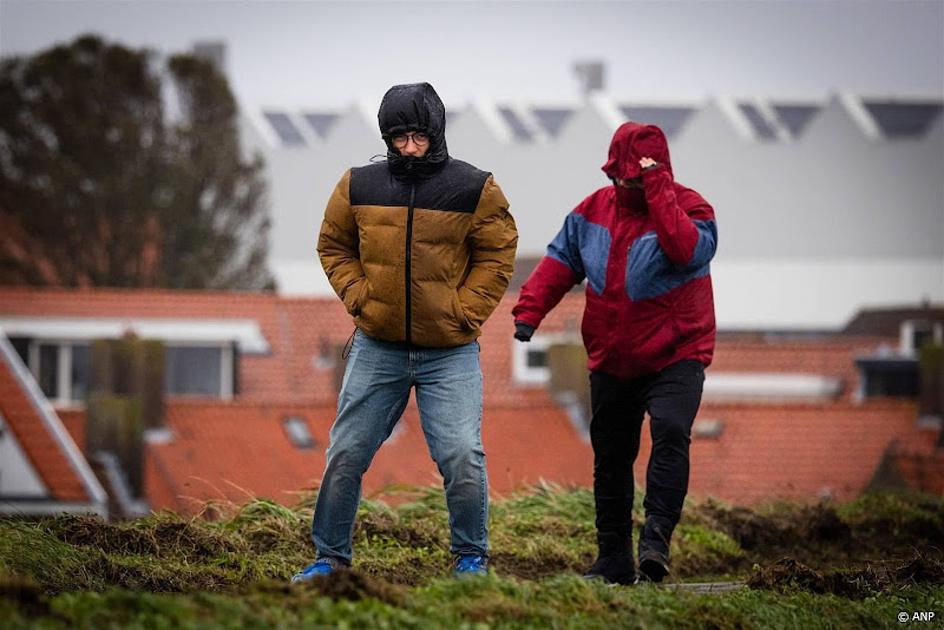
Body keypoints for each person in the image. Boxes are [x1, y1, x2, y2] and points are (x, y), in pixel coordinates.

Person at [293, 83, 517, 582]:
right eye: (398, 138)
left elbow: (498, 253)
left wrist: (465, 311)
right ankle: (329, 559)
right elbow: (333, 245)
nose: (408, 147)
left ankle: (471, 559)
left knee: (461, 454)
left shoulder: (475, 187)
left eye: (417, 136)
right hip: (378, 346)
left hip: (450, 352)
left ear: (435, 132)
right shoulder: (357, 185)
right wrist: (361, 298)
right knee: (346, 451)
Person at [511, 122, 717, 585]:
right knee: (611, 454)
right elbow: (559, 262)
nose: (628, 187)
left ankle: (657, 541)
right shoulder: (589, 214)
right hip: (613, 355)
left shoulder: (694, 209)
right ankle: (614, 560)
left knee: (669, 429)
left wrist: (660, 191)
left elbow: (686, 251)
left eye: (638, 180)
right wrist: (529, 313)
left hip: (676, 352)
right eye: (622, 180)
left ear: (659, 173)